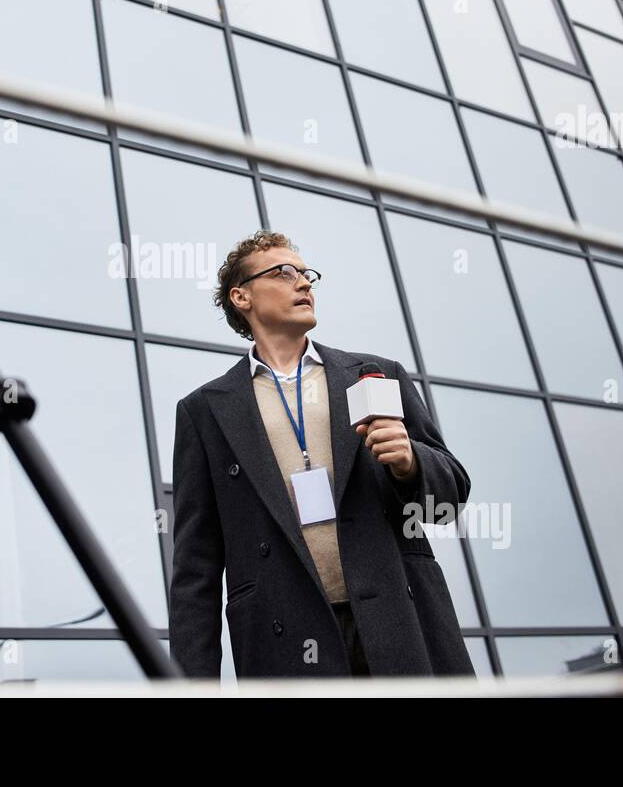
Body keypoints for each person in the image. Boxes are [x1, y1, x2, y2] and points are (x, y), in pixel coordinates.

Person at [167, 229, 475, 679]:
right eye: (284, 272)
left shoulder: (375, 374)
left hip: (398, 621)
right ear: (242, 296)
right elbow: (195, 567)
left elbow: (451, 500)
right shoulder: (205, 411)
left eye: (307, 273)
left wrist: (411, 464)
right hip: (283, 638)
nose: (304, 283)